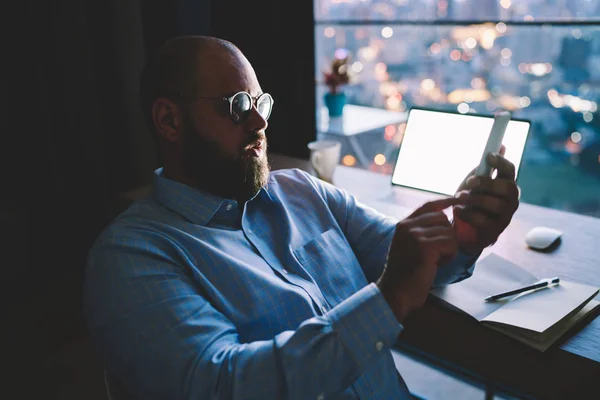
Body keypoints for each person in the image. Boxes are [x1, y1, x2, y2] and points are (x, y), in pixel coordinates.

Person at [83, 35, 520, 400]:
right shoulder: (130, 257)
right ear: (169, 120)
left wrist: (463, 237)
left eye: (260, 102)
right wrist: (389, 298)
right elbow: (225, 385)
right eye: (236, 105)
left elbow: (408, 258)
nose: (258, 122)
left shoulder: (303, 191)